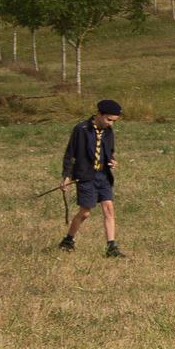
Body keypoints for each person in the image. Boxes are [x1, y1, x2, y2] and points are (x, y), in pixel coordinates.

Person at [59, 99, 125, 258]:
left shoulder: (108, 131)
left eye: (114, 121)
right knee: (85, 213)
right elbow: (70, 154)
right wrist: (66, 176)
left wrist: (112, 161)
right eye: (108, 119)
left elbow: (109, 151)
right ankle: (68, 240)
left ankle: (111, 247)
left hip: (103, 175)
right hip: (86, 176)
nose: (110, 123)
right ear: (99, 114)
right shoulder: (81, 129)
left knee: (109, 208)